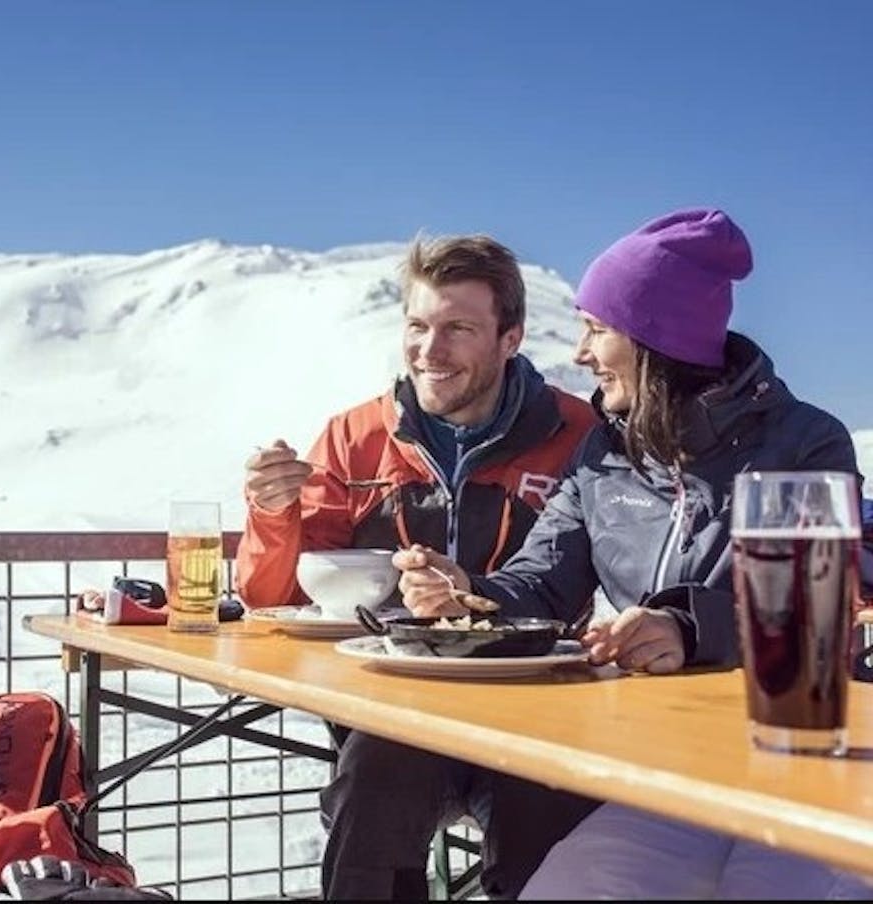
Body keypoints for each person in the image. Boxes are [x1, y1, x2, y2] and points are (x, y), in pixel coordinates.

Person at [395, 207, 871, 899]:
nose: (582, 353)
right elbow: (542, 580)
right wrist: (469, 590)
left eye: (597, 329)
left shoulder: (803, 445)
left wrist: (686, 627)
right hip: (670, 768)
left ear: (655, 340)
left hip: (800, 760)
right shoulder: (606, 452)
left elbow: (815, 607)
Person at [237, 233, 599, 899]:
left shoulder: (578, 436)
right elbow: (275, 593)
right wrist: (272, 513)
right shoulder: (355, 436)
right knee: (372, 785)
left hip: (538, 707)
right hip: (395, 705)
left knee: (544, 819)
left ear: (510, 338)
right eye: (418, 326)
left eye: (459, 328)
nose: (431, 352)